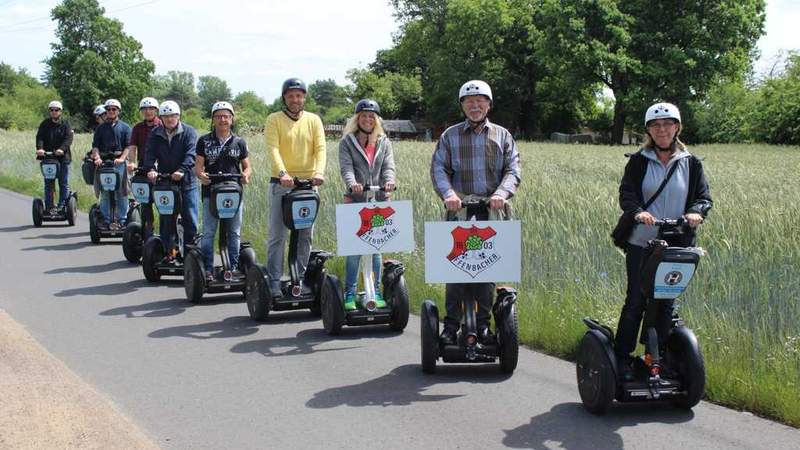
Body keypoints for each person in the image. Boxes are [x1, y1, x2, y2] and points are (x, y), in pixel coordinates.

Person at [613, 102, 713, 376]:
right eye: (656, 125)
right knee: (636, 299)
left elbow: (704, 198)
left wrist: (695, 212)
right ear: (649, 130)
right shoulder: (639, 160)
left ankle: (655, 358)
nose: (662, 129)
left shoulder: (691, 163)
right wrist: (639, 212)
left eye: (667, 124)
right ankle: (621, 358)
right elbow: (627, 194)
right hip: (643, 240)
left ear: (677, 127)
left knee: (666, 300)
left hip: (679, 241)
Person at [430, 80, 521, 345]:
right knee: (455, 268)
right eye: (469, 102)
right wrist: (449, 195)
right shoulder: (450, 136)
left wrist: (501, 194)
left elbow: (513, 169)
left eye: (480, 100)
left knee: (486, 267)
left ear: (489, 104)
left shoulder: (503, 135)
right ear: (462, 106)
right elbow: (438, 169)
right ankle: (451, 324)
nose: (475, 105)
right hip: (458, 211)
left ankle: (483, 325)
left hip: (491, 211)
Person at [265, 77, 326, 299]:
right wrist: (283, 173)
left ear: (304, 98)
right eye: (291, 95)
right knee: (278, 235)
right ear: (284, 98)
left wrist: (319, 172)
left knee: (305, 235)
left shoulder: (314, 120)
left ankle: (298, 279)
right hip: (282, 185)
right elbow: (273, 149)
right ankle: (273, 281)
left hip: (309, 185)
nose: (295, 99)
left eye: (299, 95)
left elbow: (320, 148)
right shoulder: (274, 120)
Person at [338, 99, 396, 310]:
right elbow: (346, 168)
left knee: (376, 248)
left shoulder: (384, 142)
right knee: (355, 250)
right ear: (357, 119)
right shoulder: (347, 142)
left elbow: (389, 166)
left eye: (372, 116)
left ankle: (376, 291)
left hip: (379, 200)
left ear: (377, 120)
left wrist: (388, 182)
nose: (368, 119)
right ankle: (350, 293)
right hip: (356, 199)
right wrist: (353, 184)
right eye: (364, 116)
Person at [195, 101, 252, 280]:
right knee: (209, 232)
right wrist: (201, 176)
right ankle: (208, 269)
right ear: (213, 119)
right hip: (210, 192)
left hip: (234, 193)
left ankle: (233, 267)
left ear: (232, 119)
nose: (223, 120)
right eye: (219, 116)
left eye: (226, 116)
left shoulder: (239, 142)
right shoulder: (204, 141)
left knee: (234, 232)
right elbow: (198, 167)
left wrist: (246, 176)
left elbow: (247, 166)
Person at [143, 100, 199, 260]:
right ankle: (169, 252)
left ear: (178, 116)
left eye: (173, 116)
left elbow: (191, 154)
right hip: (165, 183)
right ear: (161, 118)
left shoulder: (189, 132)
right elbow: (149, 154)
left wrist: (181, 170)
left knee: (190, 217)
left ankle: (189, 254)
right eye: (166, 116)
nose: (169, 119)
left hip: (186, 182)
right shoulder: (155, 133)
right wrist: (151, 169)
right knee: (166, 218)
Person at [91, 98, 131, 229]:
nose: (111, 111)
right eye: (109, 109)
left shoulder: (125, 127)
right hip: (104, 163)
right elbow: (95, 146)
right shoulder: (100, 128)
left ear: (118, 111)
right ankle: (106, 220)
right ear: (105, 111)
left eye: (114, 109)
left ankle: (123, 220)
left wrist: (122, 158)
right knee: (105, 191)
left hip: (119, 163)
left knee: (121, 191)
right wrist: (97, 157)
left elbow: (128, 146)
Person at [126, 97, 161, 236]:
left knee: (162, 199)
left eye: (151, 109)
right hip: (143, 166)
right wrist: (132, 162)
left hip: (161, 167)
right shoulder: (137, 128)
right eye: (144, 109)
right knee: (145, 202)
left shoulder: (162, 126)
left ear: (156, 110)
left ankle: (167, 231)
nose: (148, 111)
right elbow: (133, 146)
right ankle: (148, 229)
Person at [35, 100, 74, 214]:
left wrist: (62, 149)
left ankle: (62, 206)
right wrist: (40, 149)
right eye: (52, 110)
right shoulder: (45, 124)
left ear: (60, 111)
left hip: (63, 158)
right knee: (48, 183)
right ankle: (49, 207)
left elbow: (68, 139)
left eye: (56, 110)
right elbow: (40, 137)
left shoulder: (65, 124)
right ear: (49, 111)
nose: (54, 112)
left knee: (63, 182)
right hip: (48, 158)